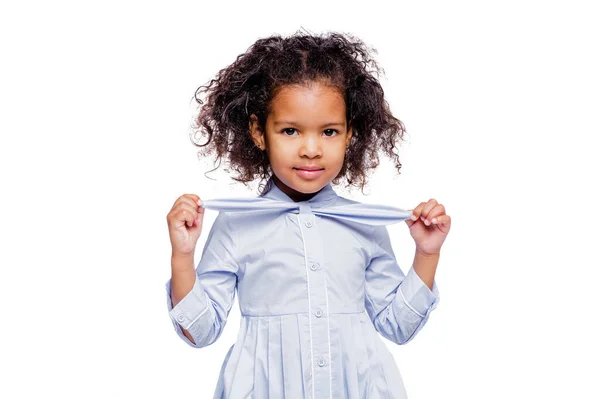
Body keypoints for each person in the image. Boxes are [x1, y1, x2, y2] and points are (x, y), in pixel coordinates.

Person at [165, 30, 451, 399]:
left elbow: (398, 326)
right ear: (258, 132)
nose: (311, 149)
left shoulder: (364, 226)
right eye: (290, 130)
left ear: (350, 135)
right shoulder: (235, 225)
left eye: (329, 131)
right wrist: (182, 255)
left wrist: (427, 254)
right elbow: (200, 332)